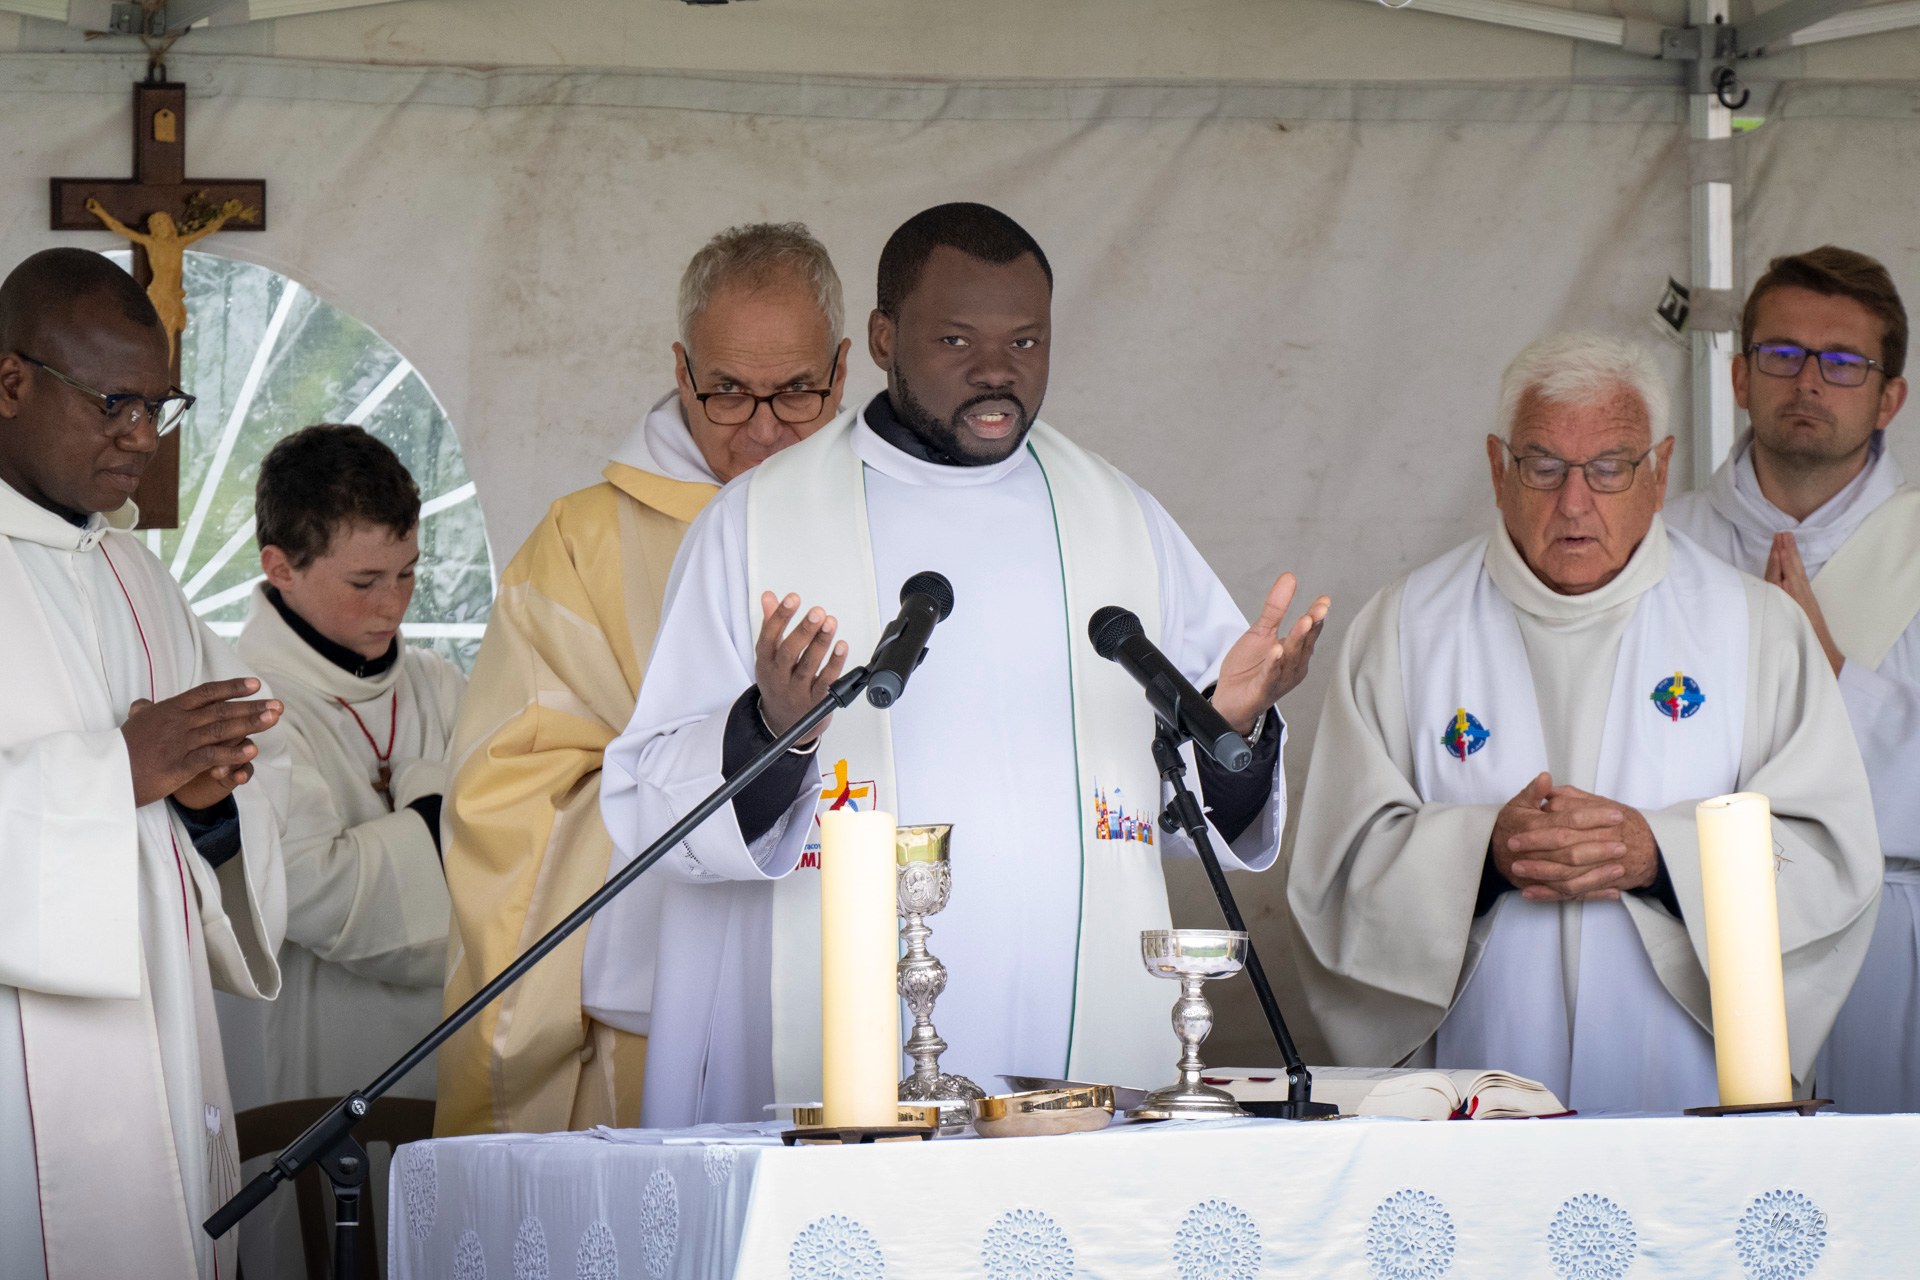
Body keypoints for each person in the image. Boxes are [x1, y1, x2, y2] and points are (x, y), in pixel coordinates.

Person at [598, 202, 1328, 1127]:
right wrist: (772, 733)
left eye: (1027, 341)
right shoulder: (755, 525)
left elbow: (1204, 817)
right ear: (880, 339)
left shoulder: (1120, 519)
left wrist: (1236, 729)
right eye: (955, 339)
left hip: (1073, 1063)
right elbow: (646, 799)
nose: (996, 371)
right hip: (835, 1052)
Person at [1287, 331, 1881, 1114]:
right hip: (1481, 1078)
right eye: (1544, 466)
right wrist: (1484, 855)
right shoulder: (1405, 629)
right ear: (1498, 469)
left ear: (1660, 471)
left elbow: (1830, 855)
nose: (1575, 501)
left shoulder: (1757, 629)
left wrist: (1658, 855)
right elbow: (1338, 867)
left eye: (1609, 468)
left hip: (1683, 1080)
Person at [436, 222, 851, 1135]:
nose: (763, 430)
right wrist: (698, 778)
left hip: (860, 997)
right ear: (680, 370)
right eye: (729, 395)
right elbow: (510, 796)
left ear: (845, 371)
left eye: (796, 395)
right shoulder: (583, 543)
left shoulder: (895, 518)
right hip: (661, 1019)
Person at [0, 247, 287, 1279]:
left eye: (161, 406)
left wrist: (211, 804)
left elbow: (202, 809)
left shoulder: (141, 576)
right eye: (115, 401)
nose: (142, 439)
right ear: (11, 381)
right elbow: (129, 769)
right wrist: (115, 769)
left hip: (160, 1038)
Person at [1668, 246, 1919, 1112]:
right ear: (1739, 377)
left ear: (1891, 396)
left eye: (1844, 363)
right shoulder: (1660, 546)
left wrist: (1831, 676)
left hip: (1885, 934)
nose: (1809, 381)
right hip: (1689, 928)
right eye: (1782, 355)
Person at [216, 422, 462, 1276]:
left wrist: (409, 827)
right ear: (279, 565)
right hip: (313, 1071)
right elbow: (318, 894)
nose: (393, 605)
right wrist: (434, 800)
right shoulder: (241, 701)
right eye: (363, 581)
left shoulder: (439, 683)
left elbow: (519, 851)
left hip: (447, 1067)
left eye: (407, 573)